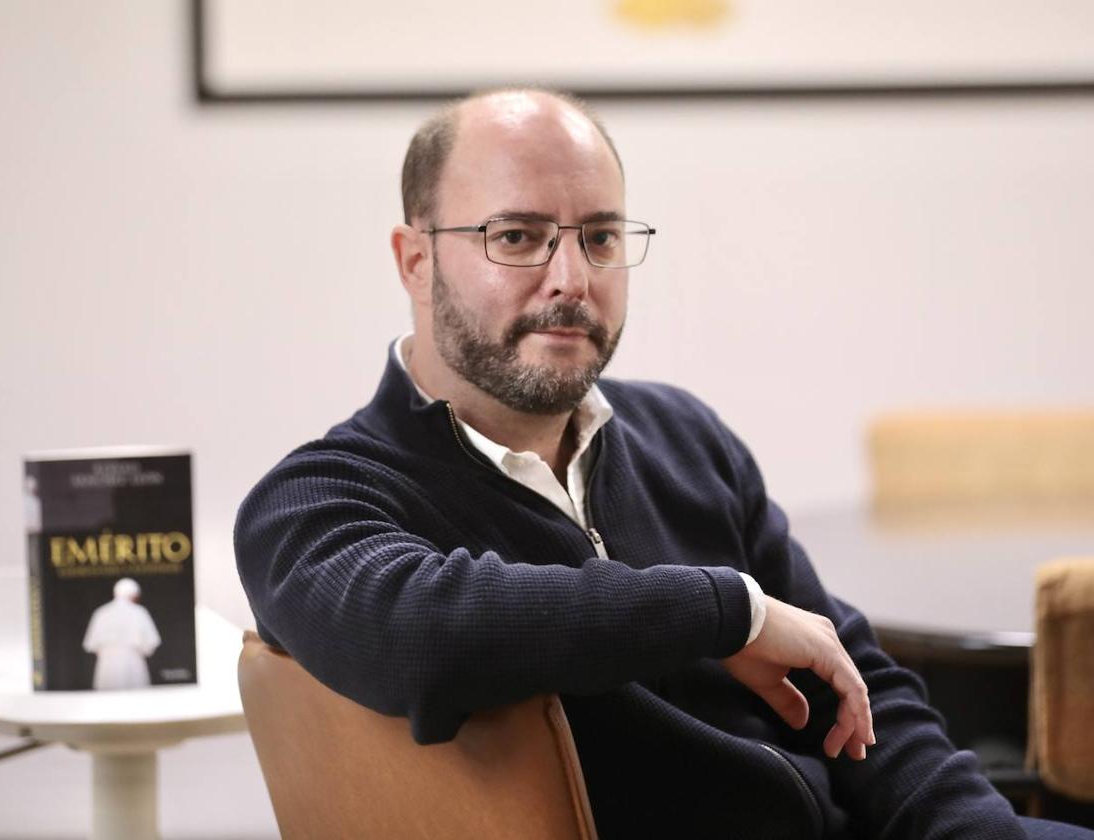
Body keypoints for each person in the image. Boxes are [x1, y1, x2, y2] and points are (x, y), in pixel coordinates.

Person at [234, 88, 1091, 839]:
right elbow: (418, 634)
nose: (568, 277)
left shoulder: (682, 433)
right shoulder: (315, 502)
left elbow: (854, 688)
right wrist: (728, 614)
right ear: (415, 260)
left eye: (600, 237)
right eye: (517, 236)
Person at [82, 577, 161, 690]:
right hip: (133, 663)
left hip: (107, 666)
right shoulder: (139, 612)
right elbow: (151, 642)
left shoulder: (101, 612)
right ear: (134, 595)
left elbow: (91, 644)